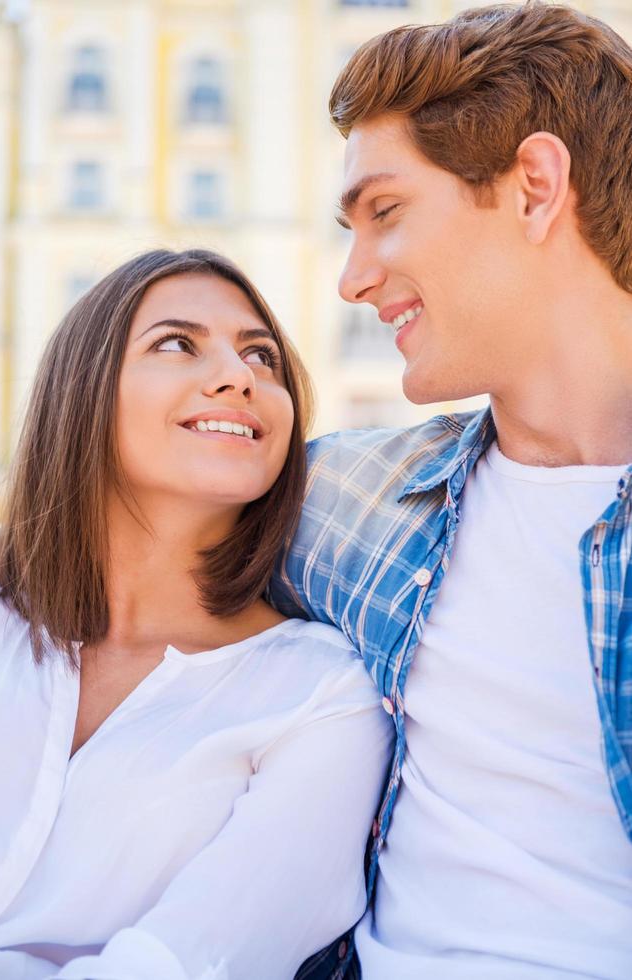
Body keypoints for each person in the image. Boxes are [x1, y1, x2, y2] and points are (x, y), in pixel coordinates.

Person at [271, 3, 632, 979]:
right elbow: (96, 538)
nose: (352, 279)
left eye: (384, 212)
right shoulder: (346, 499)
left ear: (534, 189)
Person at [0, 248, 393, 980]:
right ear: (83, 391)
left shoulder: (322, 697)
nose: (241, 376)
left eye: (262, 356)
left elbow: (188, 962)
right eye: (177, 343)